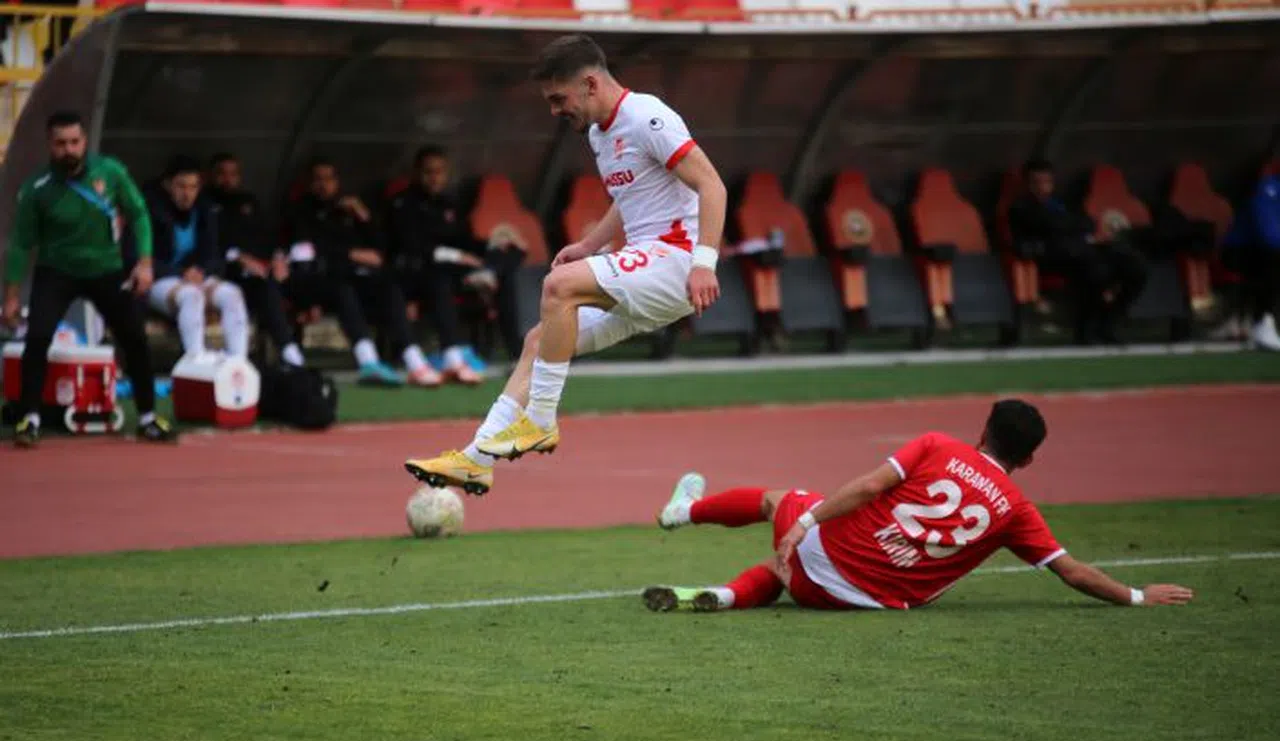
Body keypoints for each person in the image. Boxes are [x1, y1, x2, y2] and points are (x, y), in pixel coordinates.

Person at [404, 33, 726, 495]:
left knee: (558, 287)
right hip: (649, 267)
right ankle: (475, 460)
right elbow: (631, 196)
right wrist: (589, 244)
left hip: (676, 262)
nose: (555, 110)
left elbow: (712, 185)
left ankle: (540, 420)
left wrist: (704, 263)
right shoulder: (599, 133)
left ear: (591, 84)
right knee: (541, 339)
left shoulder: (647, 117)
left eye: (559, 98)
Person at [642, 399, 1194, 613]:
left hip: (822, 569)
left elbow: (867, 487)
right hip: (868, 603)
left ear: (983, 431)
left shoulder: (938, 445)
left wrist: (803, 521)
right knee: (777, 567)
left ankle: (681, 512)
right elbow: (1072, 572)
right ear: (1028, 459)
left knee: (780, 499)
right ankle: (723, 595)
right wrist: (1137, 595)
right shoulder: (1016, 510)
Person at [2, 111, 175, 448]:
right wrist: (10, 296)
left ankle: (148, 417)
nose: (69, 150)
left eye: (74, 142)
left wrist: (144, 264)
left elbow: (139, 213)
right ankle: (29, 418)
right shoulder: (37, 188)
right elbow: (21, 244)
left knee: (134, 338)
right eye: (61, 143)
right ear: (49, 145)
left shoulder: (110, 172)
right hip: (57, 272)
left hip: (106, 270)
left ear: (84, 142)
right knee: (37, 338)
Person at [284, 158, 432, 387]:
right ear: (310, 183)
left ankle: (415, 360)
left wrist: (364, 216)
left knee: (389, 289)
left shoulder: (348, 209)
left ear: (337, 182)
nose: (324, 184)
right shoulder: (302, 210)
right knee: (344, 291)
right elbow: (308, 248)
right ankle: (368, 361)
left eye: (328, 179)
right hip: (323, 278)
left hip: (358, 276)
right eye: (318, 179)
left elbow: (381, 247)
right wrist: (351, 253)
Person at [1008, 159, 1147, 345]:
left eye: (1046, 181)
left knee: (1135, 266)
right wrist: (1081, 235)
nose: (1042, 187)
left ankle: (1110, 321)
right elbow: (1051, 227)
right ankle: (1087, 329)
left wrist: (1091, 236)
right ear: (1027, 184)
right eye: (1036, 182)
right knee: (1096, 269)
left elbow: (1085, 222)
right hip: (1052, 256)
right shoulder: (1020, 207)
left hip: (1084, 249)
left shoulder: (1061, 203)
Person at [385, 145, 488, 385]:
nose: (434, 177)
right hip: (410, 274)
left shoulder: (450, 203)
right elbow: (411, 244)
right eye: (428, 172)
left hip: (446, 274)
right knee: (438, 282)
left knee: (503, 262)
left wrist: (493, 246)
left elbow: (464, 240)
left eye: (439, 172)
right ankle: (441, 359)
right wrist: (455, 256)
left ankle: (518, 351)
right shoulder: (403, 204)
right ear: (417, 173)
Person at [143, 155, 250, 360]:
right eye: (181, 186)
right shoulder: (150, 209)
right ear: (168, 185)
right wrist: (182, 273)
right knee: (191, 296)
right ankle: (195, 360)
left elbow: (213, 255)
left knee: (232, 295)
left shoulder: (204, 209)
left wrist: (202, 271)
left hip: (195, 276)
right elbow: (140, 258)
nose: (187, 194)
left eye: (193, 187)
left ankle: (237, 362)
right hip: (158, 279)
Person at [207, 152, 307, 367]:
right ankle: (288, 351)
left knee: (291, 279)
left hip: (262, 270)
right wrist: (238, 257)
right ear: (211, 176)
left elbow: (268, 236)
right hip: (228, 273)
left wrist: (278, 257)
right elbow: (210, 244)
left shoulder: (249, 202)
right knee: (264, 288)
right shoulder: (206, 203)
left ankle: (291, 351)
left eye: (233, 174)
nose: (227, 179)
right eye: (222, 174)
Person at [1220, 173, 1280, 351]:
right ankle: (1263, 322)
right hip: (1239, 250)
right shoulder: (1267, 189)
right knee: (1274, 261)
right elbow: (1268, 233)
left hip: (1265, 249)